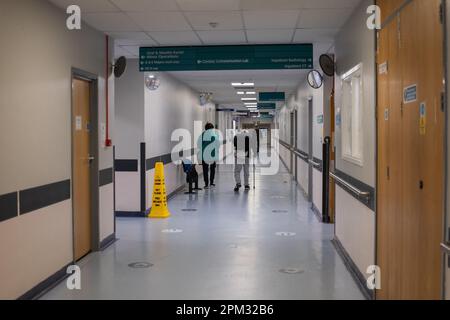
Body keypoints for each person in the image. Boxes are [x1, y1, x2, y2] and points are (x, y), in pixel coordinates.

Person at [197, 123, 220, 189]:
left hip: (204, 154)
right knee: (212, 168)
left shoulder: (202, 135)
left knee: (205, 169)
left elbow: (198, 144)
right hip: (212, 154)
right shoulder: (214, 135)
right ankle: (211, 182)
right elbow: (218, 144)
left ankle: (206, 184)